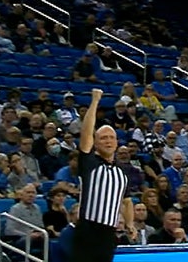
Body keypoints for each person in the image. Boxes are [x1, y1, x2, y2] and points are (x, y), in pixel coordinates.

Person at [69, 89, 133, 262]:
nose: (108, 141)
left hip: (108, 234)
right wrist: (95, 101)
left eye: (112, 138)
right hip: (87, 231)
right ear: (95, 143)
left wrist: (129, 223)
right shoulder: (89, 163)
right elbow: (86, 134)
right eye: (103, 138)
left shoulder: (123, 171)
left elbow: (126, 201)